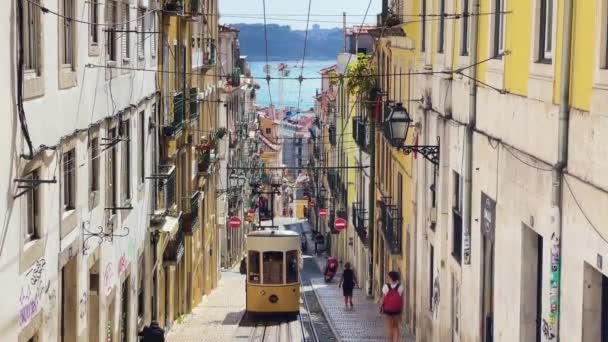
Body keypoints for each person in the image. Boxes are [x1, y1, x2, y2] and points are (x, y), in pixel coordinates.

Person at [380, 271, 404, 342]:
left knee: (389, 328)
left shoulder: (386, 287)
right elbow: (402, 299)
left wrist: (380, 306)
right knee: (396, 326)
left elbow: (383, 299)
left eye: (388, 277)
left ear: (391, 278)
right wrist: (401, 310)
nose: (387, 278)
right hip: (397, 310)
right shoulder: (400, 287)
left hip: (388, 310)